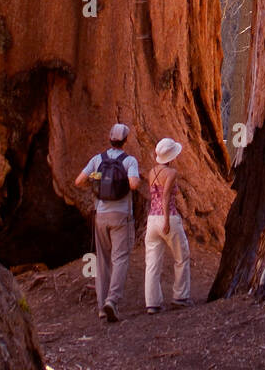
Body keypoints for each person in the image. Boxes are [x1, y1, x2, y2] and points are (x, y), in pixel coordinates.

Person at [75, 123, 141, 322]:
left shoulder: (97, 160)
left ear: (110, 139)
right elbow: (134, 184)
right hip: (121, 215)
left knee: (102, 260)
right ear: (125, 140)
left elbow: (79, 181)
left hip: (101, 215)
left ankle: (101, 307)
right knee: (120, 258)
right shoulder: (129, 161)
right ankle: (112, 300)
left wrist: (99, 177)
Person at [144, 138, 191, 314]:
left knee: (152, 263)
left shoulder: (151, 173)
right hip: (168, 218)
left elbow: (154, 196)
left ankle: (152, 303)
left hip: (151, 220)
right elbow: (165, 197)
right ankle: (180, 296)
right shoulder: (171, 173)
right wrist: (165, 220)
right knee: (181, 256)